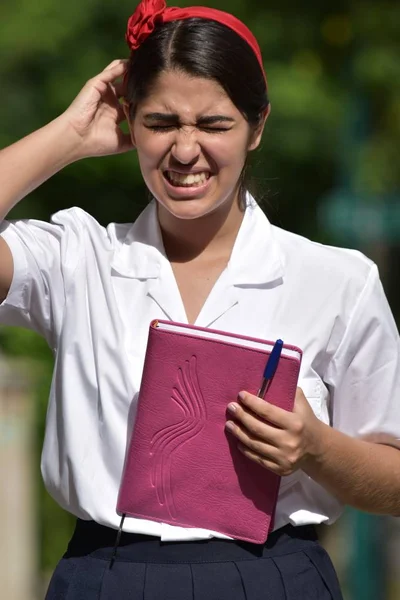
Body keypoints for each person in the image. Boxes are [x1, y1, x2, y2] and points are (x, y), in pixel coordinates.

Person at [1, 0, 399, 598]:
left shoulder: (338, 279)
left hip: (273, 576)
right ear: (130, 121)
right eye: (161, 122)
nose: (185, 151)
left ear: (257, 126)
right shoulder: (77, 258)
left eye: (213, 124)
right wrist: (70, 136)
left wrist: (315, 448)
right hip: (104, 576)